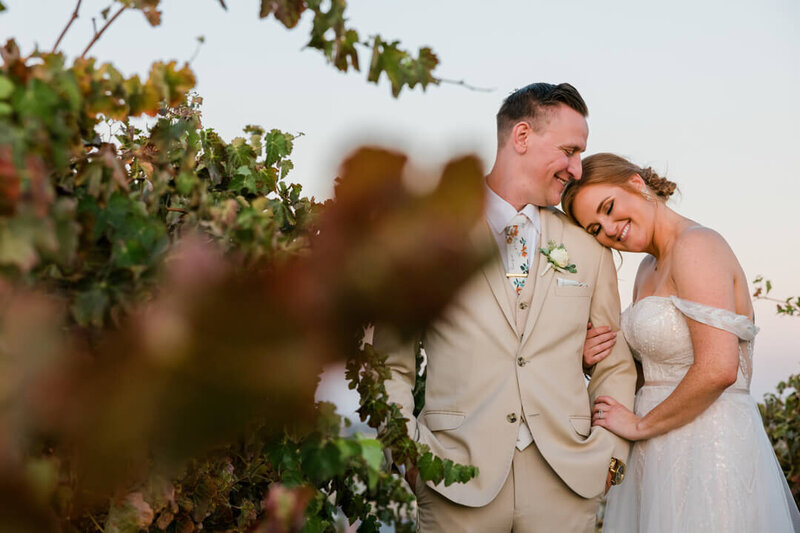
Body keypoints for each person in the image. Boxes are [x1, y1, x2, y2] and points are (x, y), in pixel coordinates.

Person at [373, 84, 637, 532]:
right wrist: (409, 458)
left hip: (567, 483)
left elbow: (614, 364)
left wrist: (608, 458)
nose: (577, 169)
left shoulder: (588, 248)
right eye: (570, 151)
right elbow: (387, 364)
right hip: (453, 477)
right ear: (521, 137)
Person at [562, 153, 800, 532]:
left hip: (707, 448)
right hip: (658, 454)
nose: (608, 228)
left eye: (608, 208)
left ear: (637, 184)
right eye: (595, 228)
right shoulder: (647, 268)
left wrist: (640, 426)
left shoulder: (696, 245)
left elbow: (719, 368)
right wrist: (593, 360)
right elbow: (654, 369)